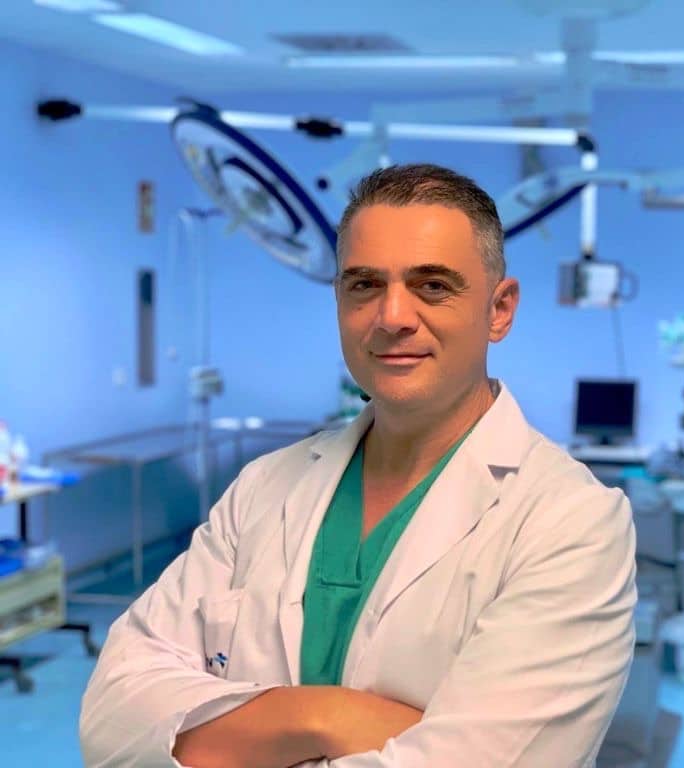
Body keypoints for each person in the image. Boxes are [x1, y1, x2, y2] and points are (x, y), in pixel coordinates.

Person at [80, 163, 637, 767]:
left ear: (499, 310)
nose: (392, 316)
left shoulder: (572, 522)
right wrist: (326, 717)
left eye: (432, 286)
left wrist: (235, 736)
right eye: (365, 285)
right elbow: (112, 721)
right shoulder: (264, 488)